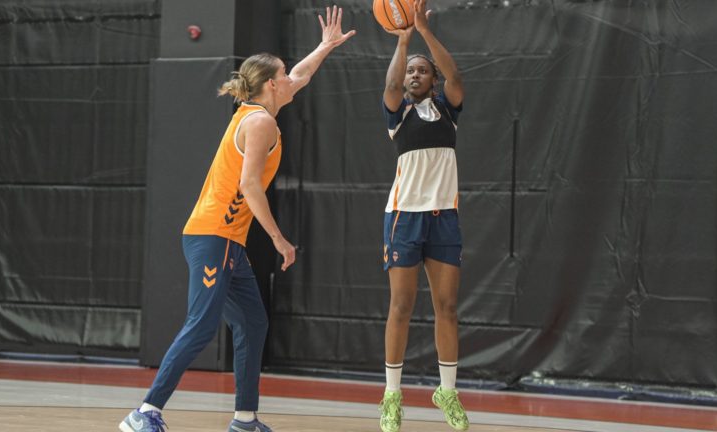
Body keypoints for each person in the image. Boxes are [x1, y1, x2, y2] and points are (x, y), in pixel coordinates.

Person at [119, 6, 355, 432]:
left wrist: (323, 47)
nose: (290, 79)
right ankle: (144, 413)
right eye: (282, 74)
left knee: (253, 322)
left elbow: (300, 76)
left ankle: (245, 419)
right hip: (214, 235)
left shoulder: (261, 111)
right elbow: (249, 187)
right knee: (202, 325)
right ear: (269, 84)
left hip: (227, 240)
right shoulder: (261, 122)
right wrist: (280, 240)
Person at [377, 1, 468, 431]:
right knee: (402, 306)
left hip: (443, 217)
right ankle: (392, 397)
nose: (414, 75)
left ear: (432, 80)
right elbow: (392, 83)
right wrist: (403, 39)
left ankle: (446, 391)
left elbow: (455, 77)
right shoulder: (399, 114)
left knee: (447, 307)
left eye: (421, 71)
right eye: (412, 71)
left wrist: (425, 30)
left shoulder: (448, 110)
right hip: (404, 218)